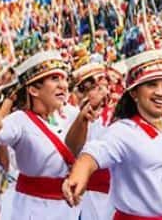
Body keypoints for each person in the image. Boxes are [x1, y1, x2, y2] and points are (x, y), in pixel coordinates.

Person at [0, 51, 101, 219]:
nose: (63, 85)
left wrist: (84, 118)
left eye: (64, 79)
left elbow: (80, 151)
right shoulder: (19, 120)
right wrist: (6, 103)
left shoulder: (73, 114)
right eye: (55, 79)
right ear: (34, 90)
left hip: (70, 208)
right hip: (32, 208)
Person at [63, 50, 162, 219]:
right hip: (101, 203)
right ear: (134, 93)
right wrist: (79, 173)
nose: (160, 92)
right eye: (151, 84)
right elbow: (94, 152)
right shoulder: (124, 130)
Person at [69, 56, 115, 220]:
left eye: (97, 87)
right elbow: (71, 150)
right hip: (82, 196)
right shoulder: (72, 115)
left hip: (108, 197)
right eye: (84, 89)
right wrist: (81, 120)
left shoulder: (117, 116)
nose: (90, 94)